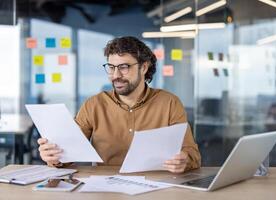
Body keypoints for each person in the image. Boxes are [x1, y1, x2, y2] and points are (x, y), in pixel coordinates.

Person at [38, 36, 201, 173]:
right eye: (111, 67)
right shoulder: (93, 105)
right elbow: (67, 155)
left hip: (156, 186)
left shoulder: (169, 103)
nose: (116, 75)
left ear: (144, 67)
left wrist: (184, 160)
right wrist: (54, 156)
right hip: (106, 189)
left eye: (124, 67)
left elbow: (192, 154)